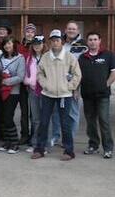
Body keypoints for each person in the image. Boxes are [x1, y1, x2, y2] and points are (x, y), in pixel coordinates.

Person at [31, 29, 81, 161]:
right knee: (44, 122)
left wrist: (69, 87)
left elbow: (77, 74)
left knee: (65, 123)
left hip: (65, 95)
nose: (55, 43)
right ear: (50, 42)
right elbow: (39, 73)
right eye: (52, 40)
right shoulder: (46, 57)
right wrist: (45, 85)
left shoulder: (69, 57)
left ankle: (69, 151)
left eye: (57, 40)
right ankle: (40, 149)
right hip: (47, 94)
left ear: (61, 42)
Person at [79, 31, 115, 159]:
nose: (93, 42)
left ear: (100, 41)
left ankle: (108, 148)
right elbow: (78, 75)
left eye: (95, 39)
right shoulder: (82, 57)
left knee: (104, 120)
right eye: (90, 39)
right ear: (87, 42)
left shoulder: (108, 55)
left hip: (103, 95)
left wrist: (106, 84)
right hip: (87, 95)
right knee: (90, 122)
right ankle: (93, 145)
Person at [0, 36, 25, 154]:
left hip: (13, 92)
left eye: (9, 43)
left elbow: (20, 76)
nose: (7, 46)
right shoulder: (0, 57)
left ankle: (14, 143)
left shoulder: (20, 58)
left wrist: (5, 81)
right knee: (2, 117)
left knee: (8, 117)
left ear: (13, 45)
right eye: (5, 44)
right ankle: (7, 141)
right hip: (1, 91)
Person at [17, 23, 37, 145]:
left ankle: (34, 135)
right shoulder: (19, 46)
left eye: (32, 32)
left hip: (34, 84)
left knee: (34, 112)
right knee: (24, 111)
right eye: (28, 31)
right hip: (22, 83)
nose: (29, 34)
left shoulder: (37, 46)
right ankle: (24, 134)